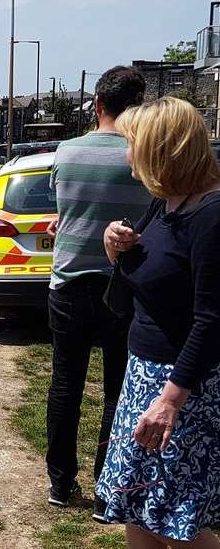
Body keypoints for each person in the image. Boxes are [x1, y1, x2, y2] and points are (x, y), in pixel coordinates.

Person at [97, 97, 220, 549]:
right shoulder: (168, 201)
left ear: (160, 148)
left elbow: (211, 321)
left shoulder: (210, 215)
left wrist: (170, 401)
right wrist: (115, 245)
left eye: (132, 144)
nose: (127, 154)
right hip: (144, 375)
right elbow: (144, 272)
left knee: (179, 520)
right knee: (138, 506)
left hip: (182, 390)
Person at [45, 65, 151, 514]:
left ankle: (60, 482)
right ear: (138, 107)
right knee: (116, 389)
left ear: (98, 105)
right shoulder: (144, 156)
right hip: (122, 286)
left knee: (65, 382)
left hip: (68, 282)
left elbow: (66, 207)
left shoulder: (66, 151)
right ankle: (108, 486)